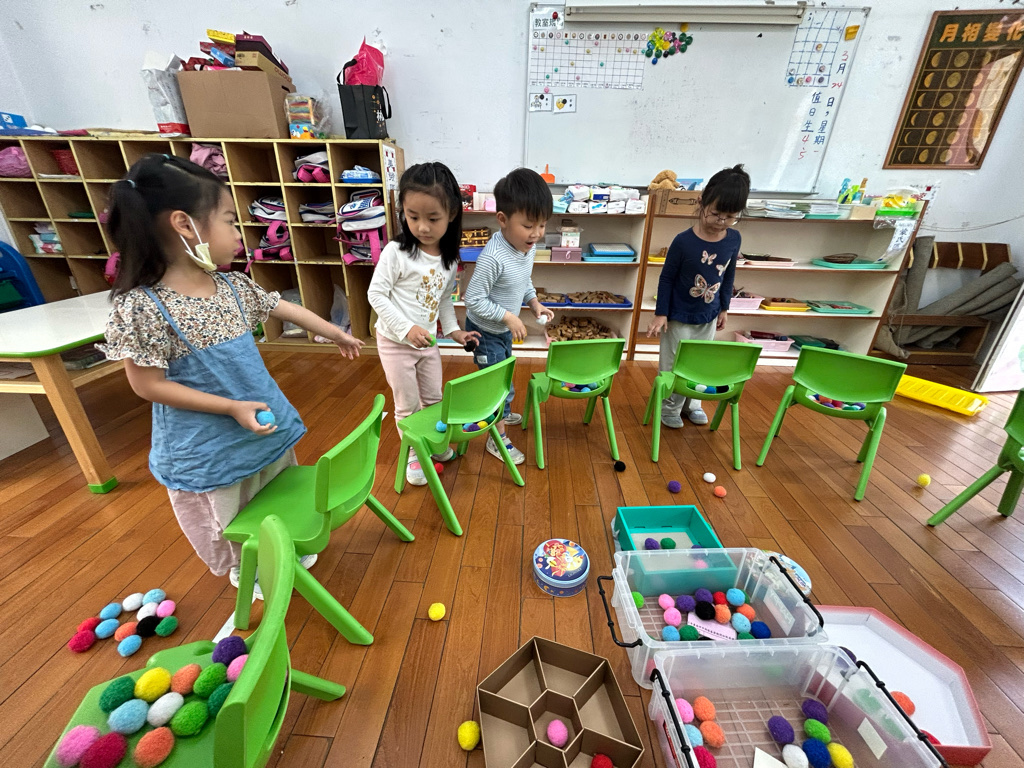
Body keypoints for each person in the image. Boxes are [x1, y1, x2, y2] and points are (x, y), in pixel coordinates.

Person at [98, 154, 364, 595]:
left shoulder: (231, 286)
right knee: (231, 514)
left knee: (274, 490)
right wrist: (229, 407)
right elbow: (146, 384)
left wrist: (335, 331)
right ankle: (250, 568)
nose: (240, 233)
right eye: (229, 221)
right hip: (209, 448)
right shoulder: (143, 307)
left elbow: (281, 307)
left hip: (260, 424)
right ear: (185, 224)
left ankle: (282, 544)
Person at [367, 161, 479, 486]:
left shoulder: (448, 259)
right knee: (407, 404)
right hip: (395, 343)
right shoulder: (396, 252)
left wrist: (455, 331)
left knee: (434, 399)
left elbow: (443, 300)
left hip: (428, 342)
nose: (422, 227)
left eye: (433, 218)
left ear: (452, 214)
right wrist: (405, 329)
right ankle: (414, 452)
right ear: (402, 211)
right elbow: (376, 295)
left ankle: (432, 440)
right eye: (412, 216)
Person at [647, 164, 750, 428]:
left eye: (730, 217)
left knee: (698, 363)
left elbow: (728, 275)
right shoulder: (683, 241)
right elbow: (666, 278)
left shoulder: (733, 239)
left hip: (709, 314)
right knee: (673, 365)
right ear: (701, 202)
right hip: (678, 315)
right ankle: (669, 407)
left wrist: (724, 308)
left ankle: (693, 404)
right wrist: (661, 314)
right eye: (716, 214)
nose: (721, 222)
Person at [463, 168, 554, 464]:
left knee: (504, 377)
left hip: (502, 328)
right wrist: (508, 317)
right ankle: (497, 437)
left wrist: (534, 303)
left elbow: (522, 280)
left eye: (542, 225)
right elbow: (472, 299)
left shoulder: (526, 247)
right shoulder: (493, 257)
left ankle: (501, 413)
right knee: (495, 385)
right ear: (502, 219)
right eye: (528, 225)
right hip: (484, 332)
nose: (536, 233)